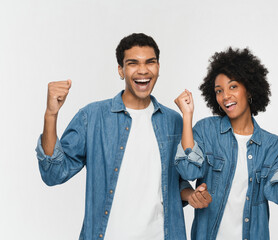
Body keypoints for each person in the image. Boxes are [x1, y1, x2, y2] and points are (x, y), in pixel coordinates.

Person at [36, 33, 211, 240]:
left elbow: (174, 180)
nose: (143, 70)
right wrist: (51, 114)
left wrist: (191, 194)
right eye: (133, 63)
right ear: (121, 70)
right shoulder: (92, 117)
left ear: (158, 67)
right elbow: (53, 174)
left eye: (150, 62)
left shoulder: (173, 121)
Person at [174, 47, 278, 239]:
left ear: (249, 89)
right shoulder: (206, 130)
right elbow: (188, 171)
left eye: (233, 86)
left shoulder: (272, 145)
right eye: (219, 91)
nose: (225, 96)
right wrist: (187, 116)